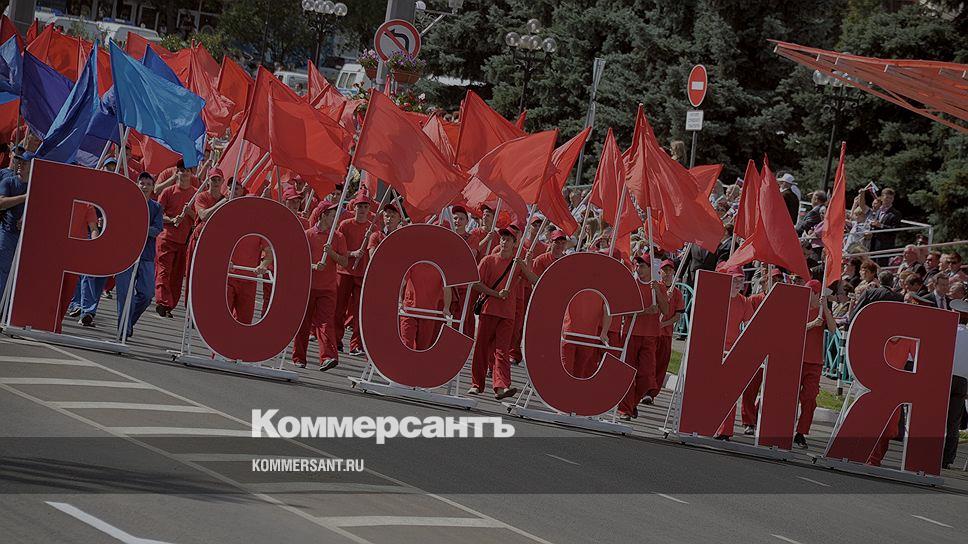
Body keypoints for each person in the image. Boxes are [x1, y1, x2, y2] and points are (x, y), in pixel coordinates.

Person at [292, 201, 348, 371]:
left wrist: (331, 253)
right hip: (308, 287)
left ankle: (328, 357)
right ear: (323, 215)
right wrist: (314, 266)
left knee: (326, 323)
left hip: (328, 289)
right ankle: (299, 358)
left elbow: (344, 262)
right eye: (332, 215)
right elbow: (297, 261)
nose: (335, 219)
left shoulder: (338, 237)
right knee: (303, 323)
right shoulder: (308, 235)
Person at [469, 226, 520, 400]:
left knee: (502, 351)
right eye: (503, 239)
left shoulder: (517, 264)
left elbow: (535, 281)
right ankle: (477, 384)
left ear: (514, 243)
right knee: (481, 348)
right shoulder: (488, 260)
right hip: (488, 310)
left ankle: (501, 387)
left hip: (507, 314)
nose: (504, 242)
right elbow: (475, 283)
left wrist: (525, 265)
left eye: (508, 239)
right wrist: (496, 294)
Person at [617, 255, 667, 420]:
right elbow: (624, 311)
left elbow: (666, 310)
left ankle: (631, 404)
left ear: (651, 268)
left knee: (646, 377)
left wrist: (657, 292)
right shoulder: (632, 284)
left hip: (650, 336)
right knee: (627, 373)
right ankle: (625, 410)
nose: (639, 269)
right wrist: (645, 311)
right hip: (631, 334)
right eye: (637, 266)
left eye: (643, 266)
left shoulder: (658, 286)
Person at [114, 173, 163, 338]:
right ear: (137, 184)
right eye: (142, 183)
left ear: (153, 187)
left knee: (147, 295)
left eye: (148, 184)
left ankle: (128, 320)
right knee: (123, 294)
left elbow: (157, 229)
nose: (145, 186)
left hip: (146, 256)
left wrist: (140, 227)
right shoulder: (128, 203)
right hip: (126, 254)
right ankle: (124, 328)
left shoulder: (156, 207)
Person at [793, 280, 837, 449]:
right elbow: (794, 329)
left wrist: (825, 308)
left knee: (810, 398)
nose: (805, 294)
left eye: (809, 291)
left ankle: (801, 433)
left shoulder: (822, 311)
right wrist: (813, 324)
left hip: (814, 363)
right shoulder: (799, 308)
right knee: (790, 397)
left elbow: (833, 329)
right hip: (797, 360)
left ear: (817, 294)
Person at [714, 266, 755, 440]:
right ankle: (705, 422)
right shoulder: (717, 298)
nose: (738, 283)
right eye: (735, 279)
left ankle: (725, 430)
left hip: (732, 350)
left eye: (741, 280)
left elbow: (750, 326)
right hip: (713, 348)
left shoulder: (744, 302)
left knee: (728, 391)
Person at [154, 160, 198, 318]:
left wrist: (189, 212)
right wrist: (171, 220)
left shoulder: (196, 194)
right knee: (163, 271)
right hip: (166, 238)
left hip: (184, 241)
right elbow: (157, 215)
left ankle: (169, 305)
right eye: (181, 170)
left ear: (191, 174)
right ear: (176, 172)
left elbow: (199, 218)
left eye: (187, 170)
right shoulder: (168, 192)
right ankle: (162, 302)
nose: (184, 173)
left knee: (177, 276)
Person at [334, 194, 373, 357]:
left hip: (362, 274)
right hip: (344, 271)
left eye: (365, 207)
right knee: (339, 308)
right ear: (354, 207)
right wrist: (352, 253)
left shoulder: (372, 228)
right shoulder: (345, 225)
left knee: (359, 311)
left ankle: (356, 344)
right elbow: (337, 248)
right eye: (359, 206)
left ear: (369, 210)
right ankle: (335, 340)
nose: (362, 209)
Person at [653, 260, 685, 401]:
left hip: (666, 334)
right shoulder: (655, 287)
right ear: (660, 272)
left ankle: (652, 393)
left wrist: (664, 324)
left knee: (661, 364)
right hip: (651, 333)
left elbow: (678, 316)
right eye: (664, 270)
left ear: (673, 273)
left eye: (670, 270)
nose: (667, 273)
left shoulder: (677, 293)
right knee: (649, 362)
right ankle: (644, 388)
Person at [0, 147, 28, 299]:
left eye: (24, 163)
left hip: (26, 238)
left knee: (20, 274)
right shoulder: (8, 181)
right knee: (2, 270)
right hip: (7, 233)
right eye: (19, 162)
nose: (19, 165)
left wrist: (25, 216)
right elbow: (1, 203)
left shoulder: (38, 185)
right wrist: (25, 197)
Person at [943, 299, 968, 469]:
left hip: (945, 377)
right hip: (962, 381)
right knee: (953, 422)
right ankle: (947, 458)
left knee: (937, 418)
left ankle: (931, 453)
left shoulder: (947, 332)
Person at [868, 188, 902, 261]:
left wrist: (881, 226)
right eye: (887, 197)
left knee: (881, 263)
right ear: (882, 197)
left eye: (891, 198)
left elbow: (895, 230)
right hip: (873, 242)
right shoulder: (878, 210)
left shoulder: (896, 214)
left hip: (885, 245)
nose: (888, 200)